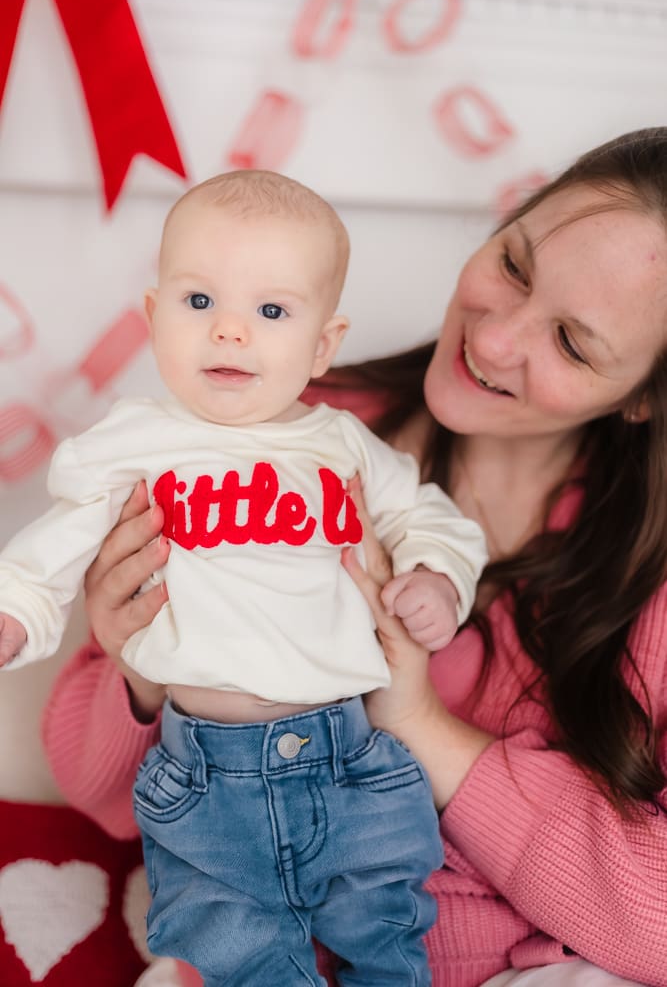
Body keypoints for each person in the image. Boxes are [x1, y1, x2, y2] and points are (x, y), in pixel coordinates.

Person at [41, 126, 667, 987]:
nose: (493, 341)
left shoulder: (651, 579)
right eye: (515, 266)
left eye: (570, 341)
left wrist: (419, 723)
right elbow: (93, 787)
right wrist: (142, 675)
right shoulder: (267, 421)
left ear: (642, 398)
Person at [0, 170, 488, 985]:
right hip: (204, 779)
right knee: (235, 948)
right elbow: (52, 544)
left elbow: (431, 518)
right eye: (199, 304)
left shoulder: (343, 446)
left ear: (322, 345)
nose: (229, 333)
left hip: (354, 760)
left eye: (270, 312)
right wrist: (16, 611)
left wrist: (436, 577)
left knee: (389, 934)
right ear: (155, 318)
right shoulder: (132, 445)